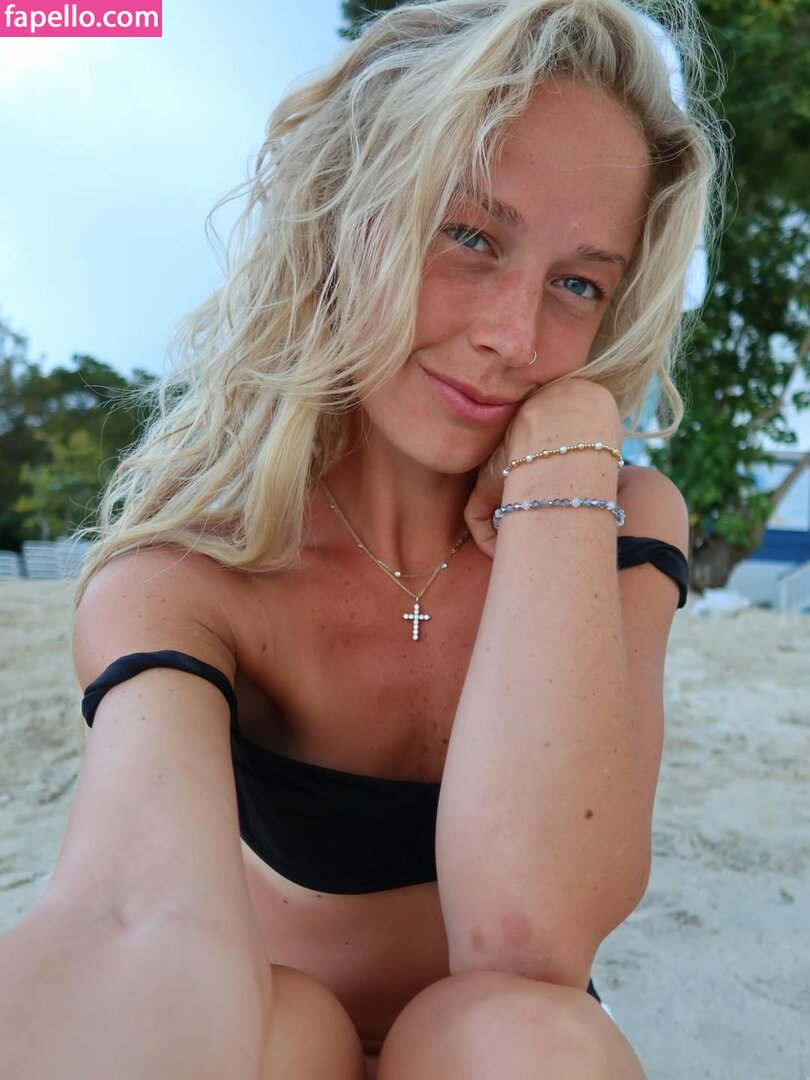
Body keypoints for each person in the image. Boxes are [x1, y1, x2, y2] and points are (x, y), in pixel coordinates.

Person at [0, 0, 722, 1076]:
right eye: (469, 236)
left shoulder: (616, 514)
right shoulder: (190, 573)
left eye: (578, 284)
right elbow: (125, 914)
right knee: (282, 1027)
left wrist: (570, 447)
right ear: (345, 215)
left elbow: (530, 936)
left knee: (527, 1036)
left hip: (506, 1047)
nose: (512, 336)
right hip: (260, 1044)